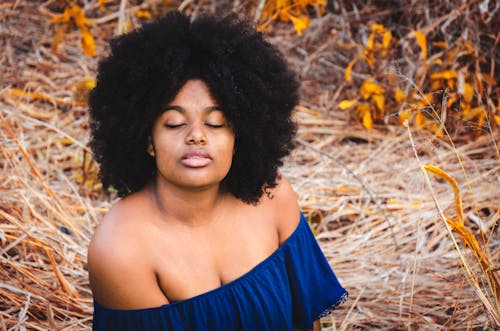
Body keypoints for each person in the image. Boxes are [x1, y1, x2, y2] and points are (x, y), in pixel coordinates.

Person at [87, 10, 347, 331]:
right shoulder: (121, 250)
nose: (197, 135)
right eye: (175, 123)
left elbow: (306, 324)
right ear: (148, 140)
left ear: (239, 137)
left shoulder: (274, 198)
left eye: (216, 122)